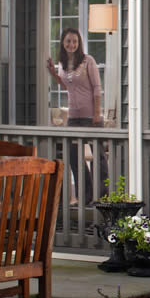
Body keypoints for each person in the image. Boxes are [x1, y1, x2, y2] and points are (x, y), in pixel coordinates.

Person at [45, 28, 103, 204]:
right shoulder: (63, 63)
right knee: (74, 157)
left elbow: (97, 88)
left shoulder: (88, 61)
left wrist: (97, 114)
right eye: (68, 41)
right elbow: (67, 85)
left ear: (79, 44)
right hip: (73, 117)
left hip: (90, 117)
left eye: (75, 41)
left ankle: (103, 196)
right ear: (63, 43)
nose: (72, 44)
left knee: (99, 157)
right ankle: (85, 197)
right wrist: (54, 74)